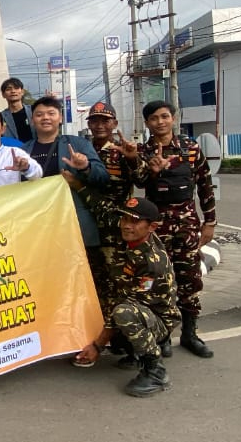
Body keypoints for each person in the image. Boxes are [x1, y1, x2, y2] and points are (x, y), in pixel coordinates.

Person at [71, 197, 180, 398]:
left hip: (158, 319)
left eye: (135, 221)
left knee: (123, 313)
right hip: (139, 307)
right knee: (103, 294)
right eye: (124, 219)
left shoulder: (151, 262)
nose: (127, 226)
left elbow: (131, 303)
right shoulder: (134, 239)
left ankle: (155, 371)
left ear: (152, 227)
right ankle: (132, 351)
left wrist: (97, 345)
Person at [137, 100, 216, 359]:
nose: (160, 122)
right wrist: (152, 170)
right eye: (154, 119)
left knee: (190, 280)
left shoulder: (191, 149)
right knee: (158, 281)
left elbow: (205, 185)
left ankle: (191, 334)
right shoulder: (142, 151)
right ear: (147, 123)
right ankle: (163, 336)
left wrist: (210, 222)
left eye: (164, 116)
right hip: (157, 228)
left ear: (173, 118)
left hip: (187, 226)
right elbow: (137, 181)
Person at [72, 102, 149, 340]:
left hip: (114, 231)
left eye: (105, 120)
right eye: (94, 120)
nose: (100, 125)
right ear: (88, 125)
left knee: (118, 284)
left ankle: (124, 338)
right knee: (95, 284)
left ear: (114, 123)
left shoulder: (121, 150)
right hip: (86, 227)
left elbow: (142, 180)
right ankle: (99, 334)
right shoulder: (80, 151)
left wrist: (134, 159)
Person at [22, 95, 109, 256]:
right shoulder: (24, 150)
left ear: (60, 118)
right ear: (32, 120)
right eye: (39, 114)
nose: (45, 118)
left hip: (73, 221)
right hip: (39, 225)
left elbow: (103, 177)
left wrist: (85, 167)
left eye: (51, 113)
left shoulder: (78, 144)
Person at [0, 78, 33, 143]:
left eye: (16, 88)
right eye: (8, 89)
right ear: (3, 94)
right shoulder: (1, 117)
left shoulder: (33, 111)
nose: (13, 91)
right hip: (13, 151)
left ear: (22, 92)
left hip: (35, 150)